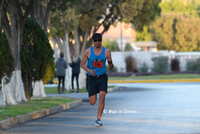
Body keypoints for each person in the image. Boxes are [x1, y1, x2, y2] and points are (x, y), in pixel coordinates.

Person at [80, 33, 114, 126]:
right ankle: (97, 117)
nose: (97, 42)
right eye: (96, 40)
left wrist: (110, 61)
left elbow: (111, 67)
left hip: (102, 77)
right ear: (93, 41)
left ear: (101, 41)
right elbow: (82, 64)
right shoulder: (88, 51)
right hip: (92, 78)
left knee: (102, 97)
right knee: (92, 102)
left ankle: (98, 119)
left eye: (99, 40)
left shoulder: (106, 51)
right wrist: (89, 70)